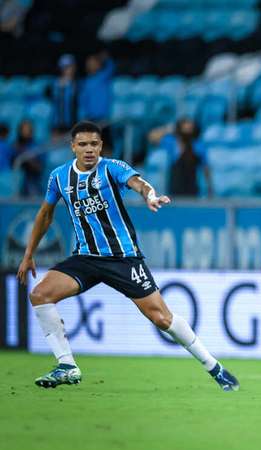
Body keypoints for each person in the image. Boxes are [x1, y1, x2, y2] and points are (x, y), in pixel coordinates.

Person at [16, 121, 239, 391]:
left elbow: (139, 183)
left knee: (162, 319)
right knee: (40, 294)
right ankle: (67, 365)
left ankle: (214, 368)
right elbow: (45, 214)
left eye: (94, 144)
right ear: (73, 146)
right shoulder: (59, 177)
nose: (89, 150)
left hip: (123, 258)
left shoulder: (112, 168)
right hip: (86, 257)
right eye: (83, 144)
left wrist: (150, 195)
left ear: (101, 146)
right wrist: (29, 253)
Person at [148, 118, 213, 197]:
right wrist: (168, 129)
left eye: (190, 128)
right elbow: (152, 137)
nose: (187, 130)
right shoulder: (172, 143)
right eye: (184, 128)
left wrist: (210, 188)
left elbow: (205, 168)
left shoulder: (198, 145)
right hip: (174, 188)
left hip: (192, 189)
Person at [12, 119, 45, 197]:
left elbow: (39, 168)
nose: (27, 132)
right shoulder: (14, 146)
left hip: (33, 183)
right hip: (16, 183)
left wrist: (25, 157)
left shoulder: (37, 147)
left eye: (29, 129)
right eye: (24, 129)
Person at [48, 54, 79, 135]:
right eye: (66, 67)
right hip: (56, 125)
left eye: (71, 66)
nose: (70, 69)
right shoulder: (54, 84)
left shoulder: (77, 85)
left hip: (72, 124)